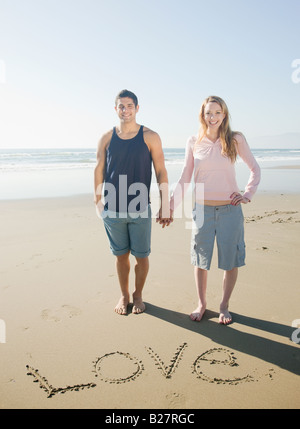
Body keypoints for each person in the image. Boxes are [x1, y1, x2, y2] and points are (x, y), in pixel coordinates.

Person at [169, 96, 261, 324]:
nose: (212, 117)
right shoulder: (193, 141)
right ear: (202, 115)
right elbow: (184, 178)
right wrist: (169, 207)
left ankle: (224, 306)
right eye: (208, 113)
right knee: (200, 260)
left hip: (230, 211)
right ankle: (201, 304)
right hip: (202, 211)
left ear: (224, 115)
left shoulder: (235, 139)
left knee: (230, 261)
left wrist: (247, 194)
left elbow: (255, 169)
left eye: (217, 112)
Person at [94, 89, 171, 315]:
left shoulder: (150, 136)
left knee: (142, 256)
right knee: (121, 257)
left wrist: (165, 204)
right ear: (115, 109)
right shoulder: (107, 138)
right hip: (113, 209)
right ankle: (124, 295)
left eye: (129, 106)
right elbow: (99, 169)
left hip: (140, 209)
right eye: (121, 106)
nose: (125, 110)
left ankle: (138, 295)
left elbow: (160, 171)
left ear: (137, 108)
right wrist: (98, 202)